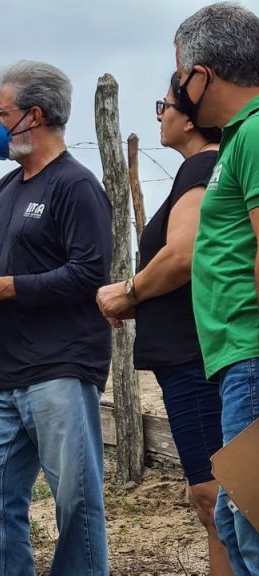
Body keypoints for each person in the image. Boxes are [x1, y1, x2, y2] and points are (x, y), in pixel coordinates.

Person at [0, 61, 112, 576]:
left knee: (77, 502)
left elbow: (90, 274)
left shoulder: (77, 187)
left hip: (61, 368)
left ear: (34, 115)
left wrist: (7, 288)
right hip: (5, 375)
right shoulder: (3, 191)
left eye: (3, 113)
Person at [96, 73, 231, 576]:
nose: (159, 113)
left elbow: (182, 256)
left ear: (192, 115)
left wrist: (127, 291)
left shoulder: (201, 167)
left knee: (216, 497)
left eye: (165, 104)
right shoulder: (200, 169)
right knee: (221, 498)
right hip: (193, 355)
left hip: (195, 359)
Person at [174, 3, 259, 572]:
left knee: (252, 527)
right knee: (236, 518)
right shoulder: (237, 139)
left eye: (179, 74)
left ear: (202, 74)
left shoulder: (254, 134)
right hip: (238, 361)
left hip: (253, 358)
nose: (177, 88)